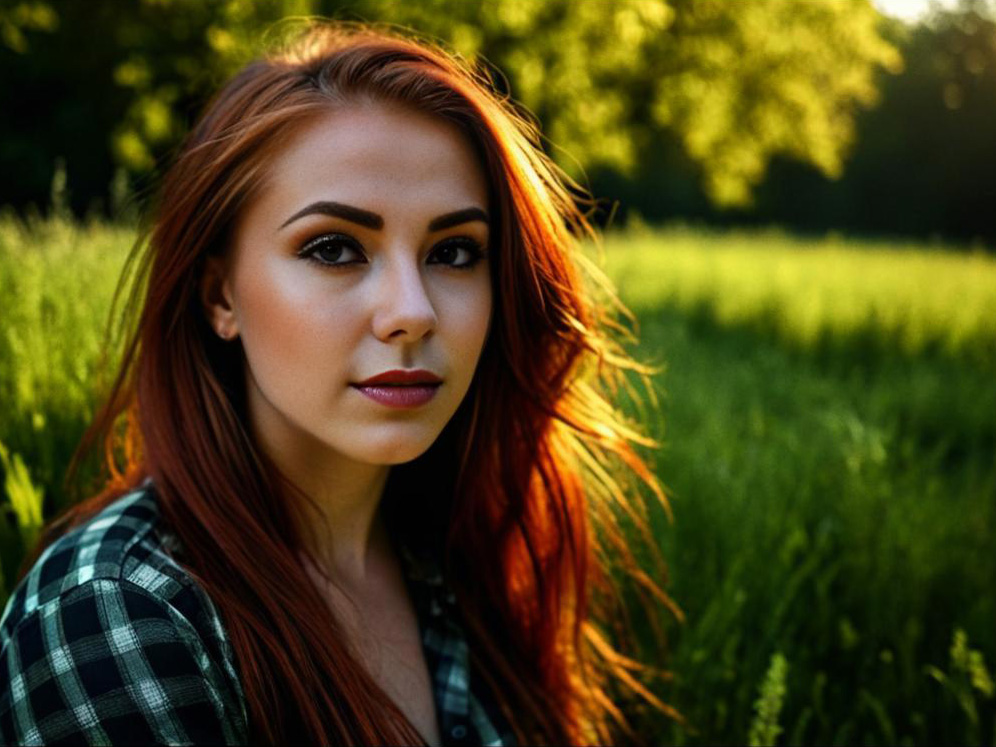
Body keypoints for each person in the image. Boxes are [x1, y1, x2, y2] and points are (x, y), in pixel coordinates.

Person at [0, 22, 672, 746]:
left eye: (453, 251)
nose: (412, 312)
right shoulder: (120, 611)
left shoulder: (460, 558)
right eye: (334, 248)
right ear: (220, 296)